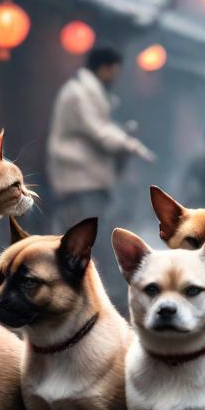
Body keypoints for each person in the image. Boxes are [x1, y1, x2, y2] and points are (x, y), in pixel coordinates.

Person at [46, 44, 154, 256]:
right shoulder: (79, 93)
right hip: (79, 180)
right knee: (84, 244)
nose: (115, 77)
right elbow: (99, 131)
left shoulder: (87, 92)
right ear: (104, 68)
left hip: (86, 179)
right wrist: (131, 145)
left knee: (87, 242)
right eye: (115, 71)